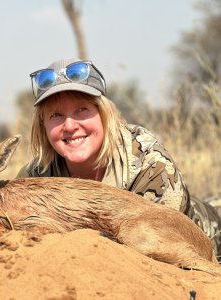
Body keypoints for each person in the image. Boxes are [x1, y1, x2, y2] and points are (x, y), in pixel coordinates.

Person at [17, 58, 221, 257]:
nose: (70, 126)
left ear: (104, 113)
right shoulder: (34, 176)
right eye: (56, 115)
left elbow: (160, 250)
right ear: (43, 126)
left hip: (203, 234)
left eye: (82, 109)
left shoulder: (149, 162)